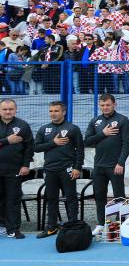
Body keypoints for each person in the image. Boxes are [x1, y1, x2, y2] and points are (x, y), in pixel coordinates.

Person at [83, 93, 129, 236]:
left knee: (119, 196)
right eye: (102, 105)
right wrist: (103, 134)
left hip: (115, 165)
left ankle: (122, 223)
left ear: (114, 104)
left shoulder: (122, 120)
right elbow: (87, 141)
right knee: (99, 195)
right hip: (98, 166)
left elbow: (127, 143)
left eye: (108, 105)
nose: (105, 107)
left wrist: (121, 163)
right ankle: (100, 224)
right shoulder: (95, 121)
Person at [34, 101, 84, 238]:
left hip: (67, 169)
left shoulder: (72, 128)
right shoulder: (44, 129)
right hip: (50, 169)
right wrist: (53, 143)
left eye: (56, 111)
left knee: (71, 198)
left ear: (63, 112)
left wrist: (77, 167)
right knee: (51, 198)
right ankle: (51, 227)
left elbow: (80, 149)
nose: (53, 114)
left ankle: (73, 225)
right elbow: (36, 147)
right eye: (51, 111)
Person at [0, 99, 34, 239]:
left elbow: (29, 147)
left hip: (14, 169)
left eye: (11, 109)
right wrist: (7, 141)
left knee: (13, 199)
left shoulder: (23, 125)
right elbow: (7, 141)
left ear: (16, 109)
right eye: (4, 109)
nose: (8, 112)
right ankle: (1, 226)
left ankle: (13, 228)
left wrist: (26, 165)